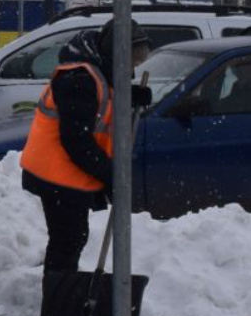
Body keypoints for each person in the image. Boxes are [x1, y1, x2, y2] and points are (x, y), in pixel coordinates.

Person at [20, 19, 153, 276]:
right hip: (55, 173)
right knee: (68, 239)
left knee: (72, 238)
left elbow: (101, 100)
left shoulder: (96, 71)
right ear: (117, 52)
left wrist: (130, 95)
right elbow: (77, 141)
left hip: (64, 172)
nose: (136, 64)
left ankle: (63, 297)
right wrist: (110, 174)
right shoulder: (79, 78)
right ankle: (58, 306)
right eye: (134, 56)